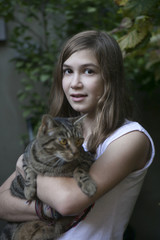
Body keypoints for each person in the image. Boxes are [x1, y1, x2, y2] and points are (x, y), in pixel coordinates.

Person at [0, 30, 155, 240]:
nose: (74, 83)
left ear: (110, 77)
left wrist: (25, 164)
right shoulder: (62, 130)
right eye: (67, 71)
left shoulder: (130, 137)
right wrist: (45, 211)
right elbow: (2, 202)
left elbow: (68, 201)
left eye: (88, 71)